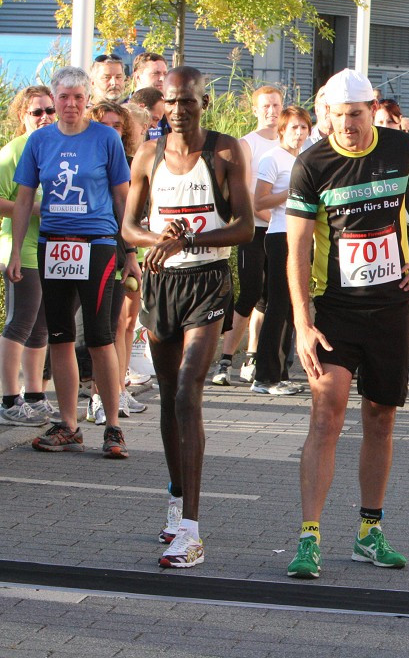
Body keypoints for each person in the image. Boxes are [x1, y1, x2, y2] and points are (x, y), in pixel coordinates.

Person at [284, 69, 409, 580]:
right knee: (326, 412)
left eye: (358, 115)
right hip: (334, 308)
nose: (350, 125)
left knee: (381, 416)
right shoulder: (311, 163)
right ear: (327, 116)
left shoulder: (403, 149)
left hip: (391, 306)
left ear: (372, 109)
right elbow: (294, 250)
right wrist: (301, 323)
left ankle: (369, 531)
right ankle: (309, 536)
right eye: (340, 117)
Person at [123, 66, 254, 568]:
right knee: (165, 400)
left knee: (186, 393)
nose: (178, 110)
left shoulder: (224, 152)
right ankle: (176, 503)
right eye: (170, 102)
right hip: (161, 284)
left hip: (208, 282)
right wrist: (160, 240)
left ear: (204, 101)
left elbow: (244, 227)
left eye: (187, 101)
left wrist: (190, 239)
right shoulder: (148, 155)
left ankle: (194, 533)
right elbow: (130, 227)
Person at [7, 66, 137, 457]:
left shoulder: (105, 139)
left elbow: (121, 200)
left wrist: (128, 252)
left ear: (87, 102)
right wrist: (16, 252)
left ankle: (112, 426)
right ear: (55, 97)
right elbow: (25, 199)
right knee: (59, 336)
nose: (70, 105)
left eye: (78, 98)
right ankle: (68, 424)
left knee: (99, 335)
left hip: (96, 243)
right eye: (63, 97)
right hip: (52, 244)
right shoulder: (39, 141)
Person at [211, 85, 282, 385]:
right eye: (265, 106)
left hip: (282, 232)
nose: (271, 111)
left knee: (271, 297)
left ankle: (253, 358)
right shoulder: (247, 144)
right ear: (254, 110)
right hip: (256, 230)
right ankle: (225, 360)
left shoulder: (289, 141)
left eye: (276, 105)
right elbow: (251, 196)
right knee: (250, 292)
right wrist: (276, 218)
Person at [87, 102, 148, 419]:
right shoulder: (85, 159)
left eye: (117, 125)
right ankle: (98, 396)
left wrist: (132, 254)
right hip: (79, 248)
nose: (111, 131)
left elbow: (127, 216)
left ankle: (112, 394)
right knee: (97, 331)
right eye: (104, 124)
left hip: (117, 250)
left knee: (118, 326)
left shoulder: (127, 163)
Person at [0, 86, 56, 426]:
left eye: (48, 110)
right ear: (23, 116)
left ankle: (35, 396)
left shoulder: (58, 146)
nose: (44, 117)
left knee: (42, 328)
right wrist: (33, 209)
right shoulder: (13, 151)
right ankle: (9, 399)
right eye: (36, 112)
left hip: (53, 249)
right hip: (20, 248)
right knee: (20, 323)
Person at [251, 107, 312, 395]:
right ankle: (264, 376)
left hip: (302, 237)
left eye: (303, 127)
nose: (299, 133)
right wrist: (292, 193)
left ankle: (280, 372)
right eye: (294, 128)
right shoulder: (272, 158)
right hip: (279, 235)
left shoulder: (304, 158)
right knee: (277, 304)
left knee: (291, 306)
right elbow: (259, 201)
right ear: (282, 131)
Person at [301, 86, 330, 153]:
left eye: (333, 106)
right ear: (316, 109)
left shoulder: (346, 140)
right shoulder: (302, 140)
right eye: (326, 106)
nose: (329, 110)